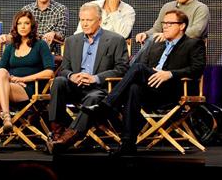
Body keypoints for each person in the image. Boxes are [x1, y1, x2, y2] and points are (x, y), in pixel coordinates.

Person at [82, 9, 206, 156]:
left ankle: (107, 105)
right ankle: (128, 144)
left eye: (170, 23)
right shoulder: (157, 44)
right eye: (164, 23)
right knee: (134, 87)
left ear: (182, 26)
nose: (165, 26)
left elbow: (197, 69)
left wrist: (170, 74)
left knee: (139, 68)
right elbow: (143, 66)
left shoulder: (193, 44)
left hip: (172, 89)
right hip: (151, 90)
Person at [46, 3, 129, 153]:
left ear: (99, 20)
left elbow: (122, 69)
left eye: (89, 20)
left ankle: (68, 137)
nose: (84, 24)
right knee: (58, 82)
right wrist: (72, 76)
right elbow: (63, 69)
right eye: (82, 20)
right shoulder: (72, 41)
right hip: (76, 86)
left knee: (93, 98)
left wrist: (95, 78)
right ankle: (56, 131)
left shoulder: (116, 40)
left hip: (100, 89)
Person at [0, 11, 55, 151]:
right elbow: (0, 70)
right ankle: (6, 116)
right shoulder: (10, 47)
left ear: (32, 26)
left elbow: (49, 72)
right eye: (19, 23)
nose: (23, 26)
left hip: (32, 88)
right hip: (11, 87)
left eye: (26, 23)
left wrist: (22, 79)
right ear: (15, 26)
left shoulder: (40, 45)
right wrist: (12, 81)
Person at [0, 0, 68, 53]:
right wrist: (6, 37)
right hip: (27, 51)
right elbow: (16, 33)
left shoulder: (61, 9)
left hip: (51, 53)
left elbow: (62, 35)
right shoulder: (26, 10)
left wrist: (54, 34)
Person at [135, 0, 209, 46]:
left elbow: (196, 32)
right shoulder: (167, 7)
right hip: (166, 47)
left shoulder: (200, 8)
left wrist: (169, 35)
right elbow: (157, 29)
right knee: (150, 42)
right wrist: (146, 34)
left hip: (190, 48)